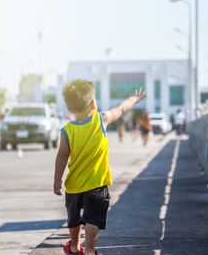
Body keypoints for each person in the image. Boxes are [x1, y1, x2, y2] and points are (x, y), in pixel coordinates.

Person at [53, 80, 146, 255]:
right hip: (97, 185)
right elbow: (121, 109)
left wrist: (57, 181)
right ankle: (89, 251)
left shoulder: (67, 130)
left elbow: (62, 157)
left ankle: (74, 246)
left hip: (74, 186)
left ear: (70, 108)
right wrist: (134, 98)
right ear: (92, 103)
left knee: (73, 218)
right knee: (93, 219)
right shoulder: (101, 120)